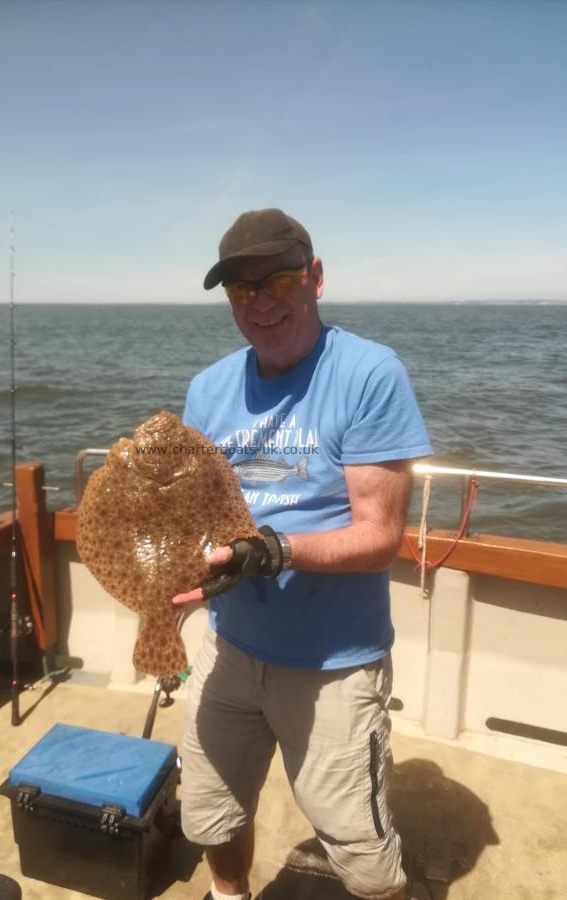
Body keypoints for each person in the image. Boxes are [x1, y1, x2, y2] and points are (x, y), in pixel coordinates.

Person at [172, 208, 432, 900]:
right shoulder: (208, 389)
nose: (260, 303)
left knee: (361, 855)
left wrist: (270, 551)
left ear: (314, 277)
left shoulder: (368, 373)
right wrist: (180, 562)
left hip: (332, 664)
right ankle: (228, 895)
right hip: (228, 646)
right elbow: (196, 512)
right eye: (240, 291)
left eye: (278, 280)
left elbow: (380, 537)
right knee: (207, 811)